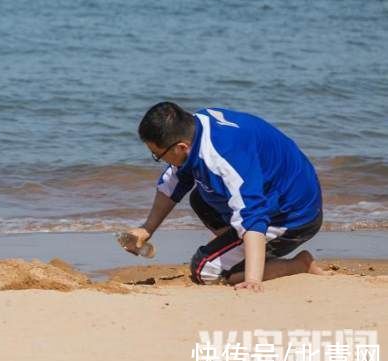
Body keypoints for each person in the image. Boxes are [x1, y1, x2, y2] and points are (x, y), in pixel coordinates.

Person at [124, 102, 324, 291]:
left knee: (204, 270)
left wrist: (252, 280)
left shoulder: (223, 158)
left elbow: (252, 214)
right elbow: (174, 181)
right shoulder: (196, 126)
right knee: (200, 200)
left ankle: (299, 265)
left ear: (181, 147)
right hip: (276, 193)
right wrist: (146, 229)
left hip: (294, 215)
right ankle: (240, 252)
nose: (158, 160)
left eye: (158, 155)